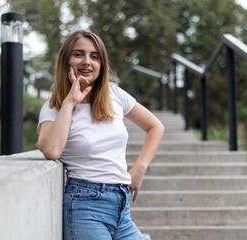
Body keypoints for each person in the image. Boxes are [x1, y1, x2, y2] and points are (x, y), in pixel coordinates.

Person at [37, 30, 164, 240]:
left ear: (101, 64)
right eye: (78, 54)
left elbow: (155, 126)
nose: (87, 61)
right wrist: (70, 101)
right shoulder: (54, 107)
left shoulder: (114, 95)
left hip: (121, 209)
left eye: (94, 56)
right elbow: (50, 150)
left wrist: (140, 168)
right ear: (66, 60)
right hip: (85, 207)